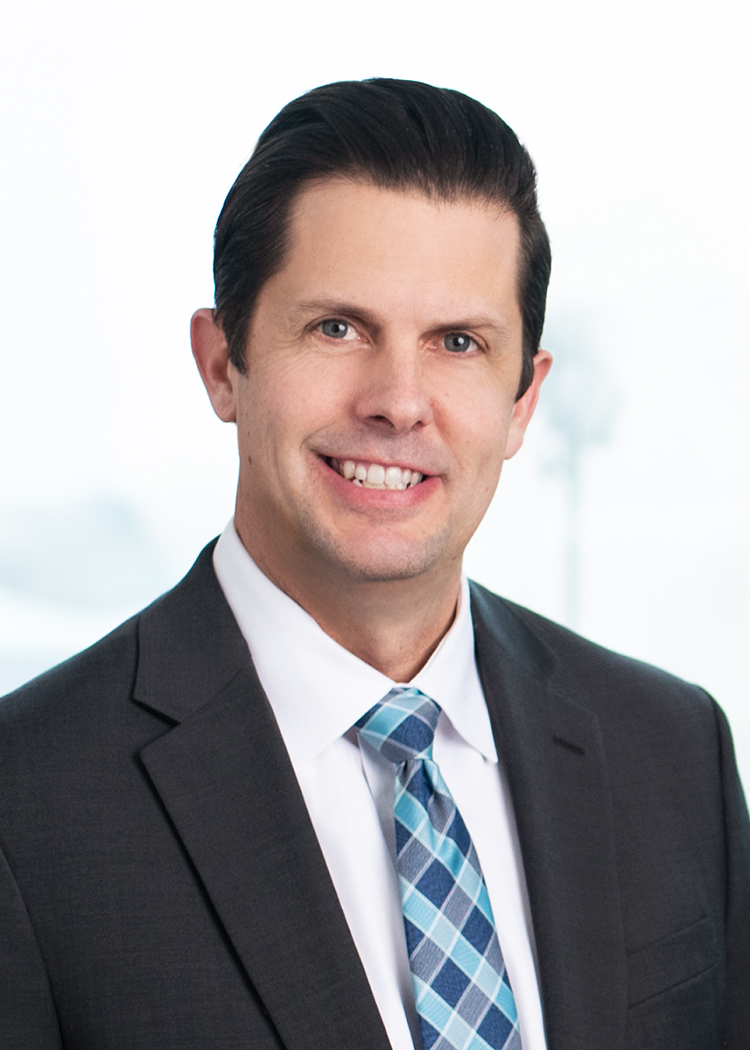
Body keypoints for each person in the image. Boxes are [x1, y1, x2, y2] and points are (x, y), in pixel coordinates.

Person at [0, 79, 748, 1050]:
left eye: (458, 342)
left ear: (524, 402)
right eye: (338, 328)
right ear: (224, 364)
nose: (399, 400)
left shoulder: (669, 749)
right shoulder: (27, 802)